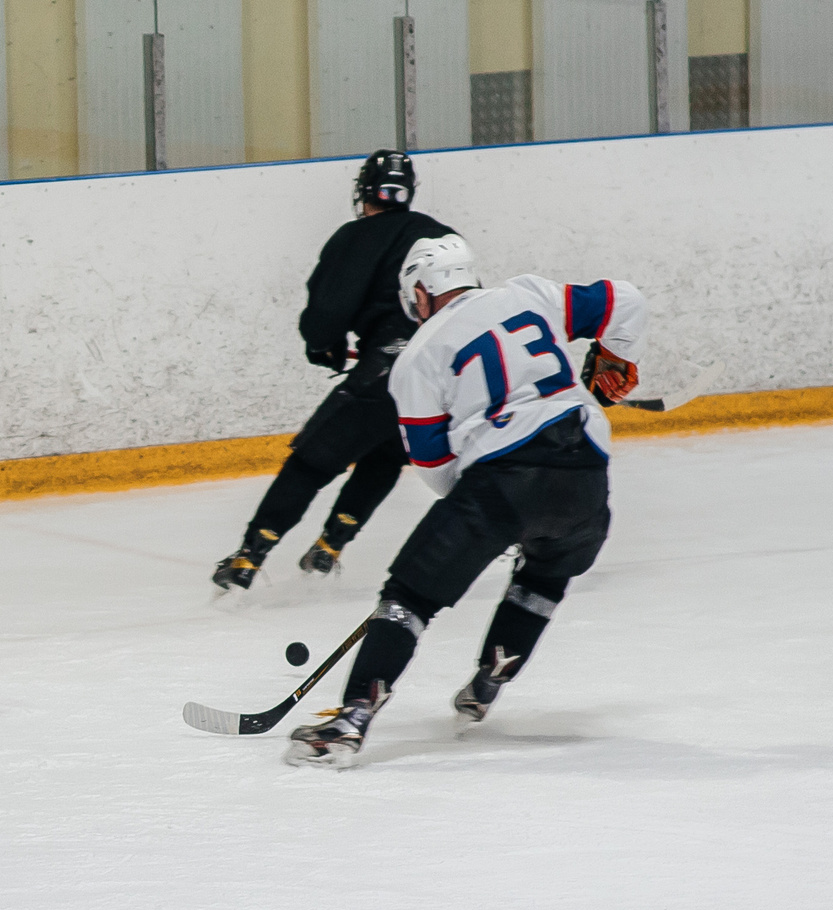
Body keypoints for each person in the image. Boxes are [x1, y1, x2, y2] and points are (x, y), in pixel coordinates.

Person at [283, 235, 646, 768]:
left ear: (424, 292)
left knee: (408, 598)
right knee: (544, 575)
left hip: (503, 479)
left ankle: (352, 718)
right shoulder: (529, 295)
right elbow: (628, 299)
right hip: (587, 477)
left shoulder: (417, 358)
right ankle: (487, 682)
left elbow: (434, 466)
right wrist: (613, 358)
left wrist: (488, 523)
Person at [212, 149, 457, 591]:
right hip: (439, 375)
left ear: (365, 190)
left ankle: (250, 557)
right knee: (385, 455)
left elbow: (329, 307)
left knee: (313, 459)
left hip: (386, 367)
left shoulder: (357, 235)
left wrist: (324, 346)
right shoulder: (441, 237)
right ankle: (330, 546)